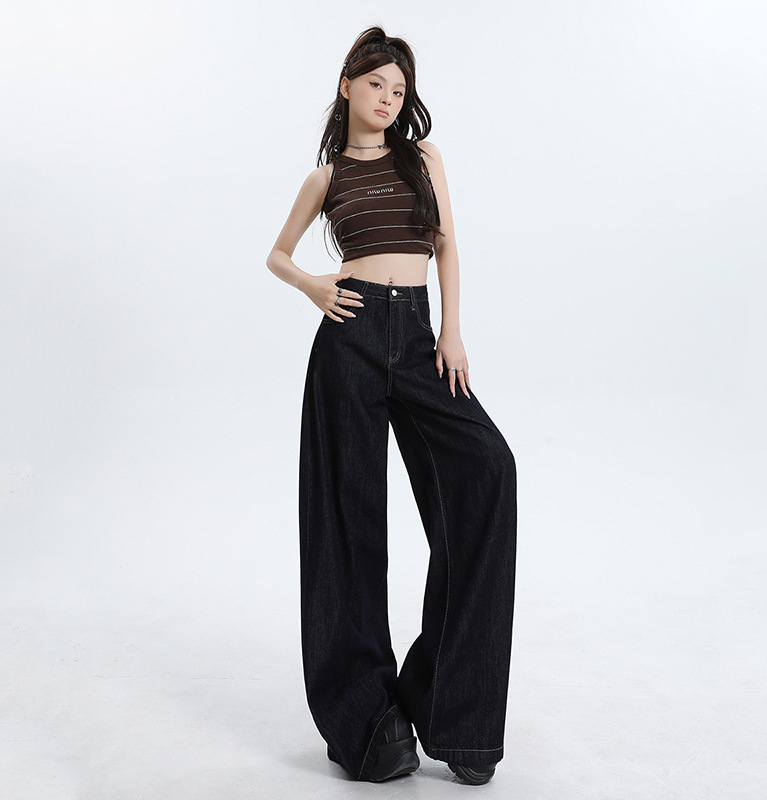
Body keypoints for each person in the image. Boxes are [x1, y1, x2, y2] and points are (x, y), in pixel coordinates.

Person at [266, 26, 517, 786]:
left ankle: (454, 712)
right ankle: (367, 721)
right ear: (348, 86)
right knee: (349, 523)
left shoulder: (421, 158)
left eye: (399, 89)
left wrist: (452, 332)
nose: (388, 97)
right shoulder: (326, 177)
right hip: (346, 337)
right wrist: (313, 286)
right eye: (376, 82)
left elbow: (447, 246)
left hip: (417, 337)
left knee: (489, 472)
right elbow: (277, 254)